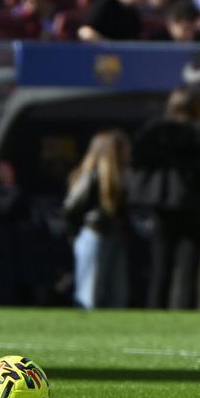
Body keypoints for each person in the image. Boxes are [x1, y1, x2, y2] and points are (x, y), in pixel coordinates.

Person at [129, 88, 200, 309]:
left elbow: (137, 162)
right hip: (193, 205)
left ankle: (156, 310)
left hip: (161, 205)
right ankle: (184, 311)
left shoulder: (153, 130)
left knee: (160, 266)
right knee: (189, 267)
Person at [64, 129, 131, 309]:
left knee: (117, 293)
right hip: (95, 234)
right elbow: (71, 207)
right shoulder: (92, 177)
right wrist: (75, 233)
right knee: (90, 292)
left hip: (115, 235)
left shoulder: (123, 177)